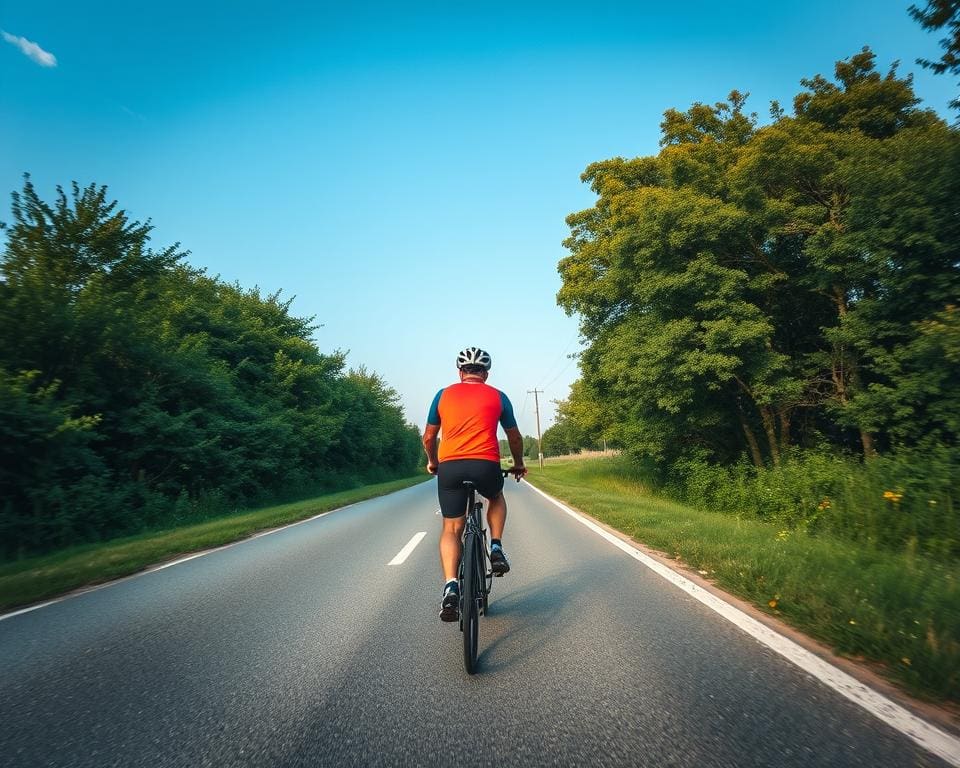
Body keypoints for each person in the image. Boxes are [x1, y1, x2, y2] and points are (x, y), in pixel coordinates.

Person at [423, 346, 527, 622]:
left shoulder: (442, 395)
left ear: (460, 373)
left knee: (451, 527)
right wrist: (518, 463)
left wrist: (433, 462)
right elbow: (514, 437)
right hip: (486, 465)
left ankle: (451, 586)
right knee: (496, 497)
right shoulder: (498, 396)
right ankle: (495, 546)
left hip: (451, 467)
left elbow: (428, 437)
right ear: (486, 374)